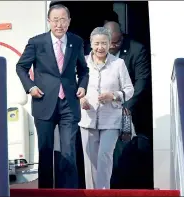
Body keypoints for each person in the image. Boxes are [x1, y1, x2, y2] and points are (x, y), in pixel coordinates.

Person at [16, 4, 89, 189]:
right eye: (55, 20)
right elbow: (21, 67)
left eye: (63, 19)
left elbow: (83, 70)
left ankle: (69, 191)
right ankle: (46, 191)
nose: (59, 24)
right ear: (49, 21)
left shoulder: (76, 41)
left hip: (69, 104)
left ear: (69, 21)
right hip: (43, 101)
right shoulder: (36, 42)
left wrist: (82, 86)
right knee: (45, 151)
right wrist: (30, 87)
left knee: (69, 150)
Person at [79, 27, 134, 189]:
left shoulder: (118, 63)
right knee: (90, 161)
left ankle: (103, 191)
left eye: (104, 43)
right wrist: (81, 99)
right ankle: (91, 192)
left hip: (111, 118)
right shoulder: (82, 62)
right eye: (96, 43)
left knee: (104, 155)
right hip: (87, 118)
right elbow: (73, 87)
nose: (100, 47)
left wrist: (114, 95)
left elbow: (129, 90)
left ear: (110, 44)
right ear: (90, 44)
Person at [103, 21, 153, 189]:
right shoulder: (95, 48)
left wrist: (125, 108)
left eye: (117, 42)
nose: (114, 46)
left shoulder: (136, 50)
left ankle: (121, 188)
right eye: (111, 43)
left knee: (123, 151)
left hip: (128, 110)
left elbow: (141, 83)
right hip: (102, 111)